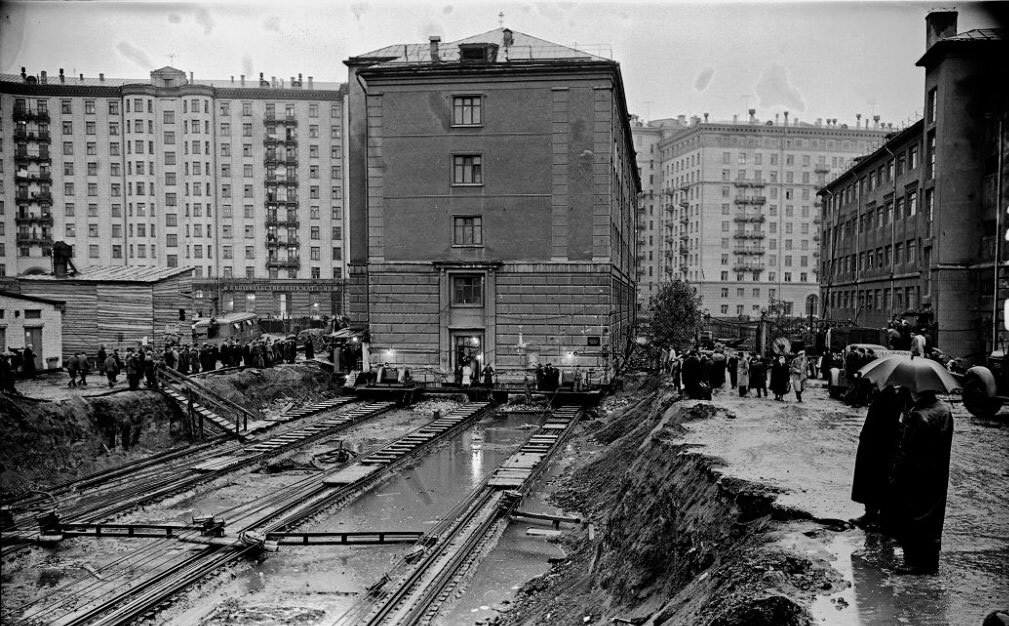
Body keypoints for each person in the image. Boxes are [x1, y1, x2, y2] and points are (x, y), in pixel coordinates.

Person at [888, 388, 954, 574]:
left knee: (912, 516)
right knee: (932, 518)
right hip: (936, 474)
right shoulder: (944, 411)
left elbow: (906, 450)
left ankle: (914, 563)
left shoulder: (917, 415)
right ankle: (930, 562)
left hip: (914, 476)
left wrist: (894, 475)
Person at [851, 385, 908, 530]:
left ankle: (878, 516)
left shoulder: (897, 393)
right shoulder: (887, 391)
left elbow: (895, 419)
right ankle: (871, 513)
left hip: (883, 442)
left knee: (879, 477)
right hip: (873, 439)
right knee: (870, 477)